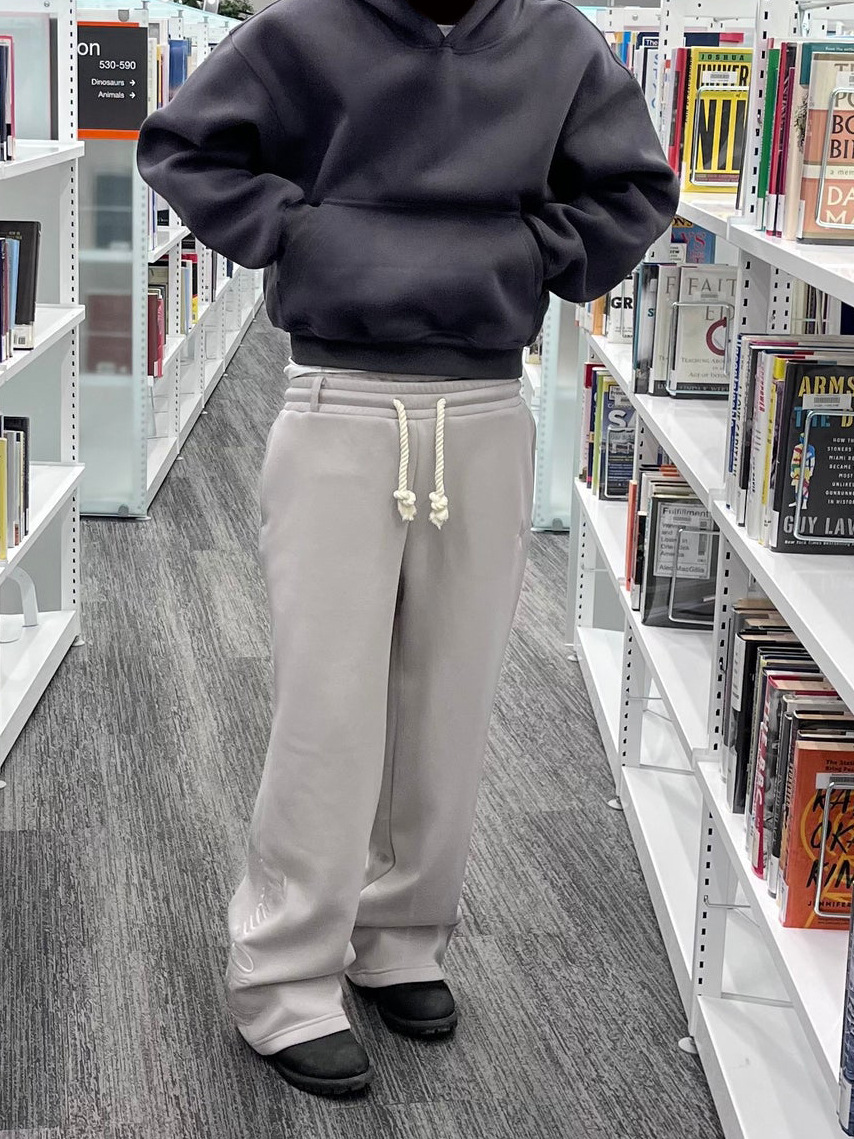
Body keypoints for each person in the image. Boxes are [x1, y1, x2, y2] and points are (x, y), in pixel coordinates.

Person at [136, 0, 679, 1098]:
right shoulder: (304, 28)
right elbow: (182, 147)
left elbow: (634, 190)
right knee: (326, 708)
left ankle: (401, 935)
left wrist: (529, 253)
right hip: (338, 398)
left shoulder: (554, 39)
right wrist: (303, 235)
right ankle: (284, 974)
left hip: (485, 407)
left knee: (449, 700)